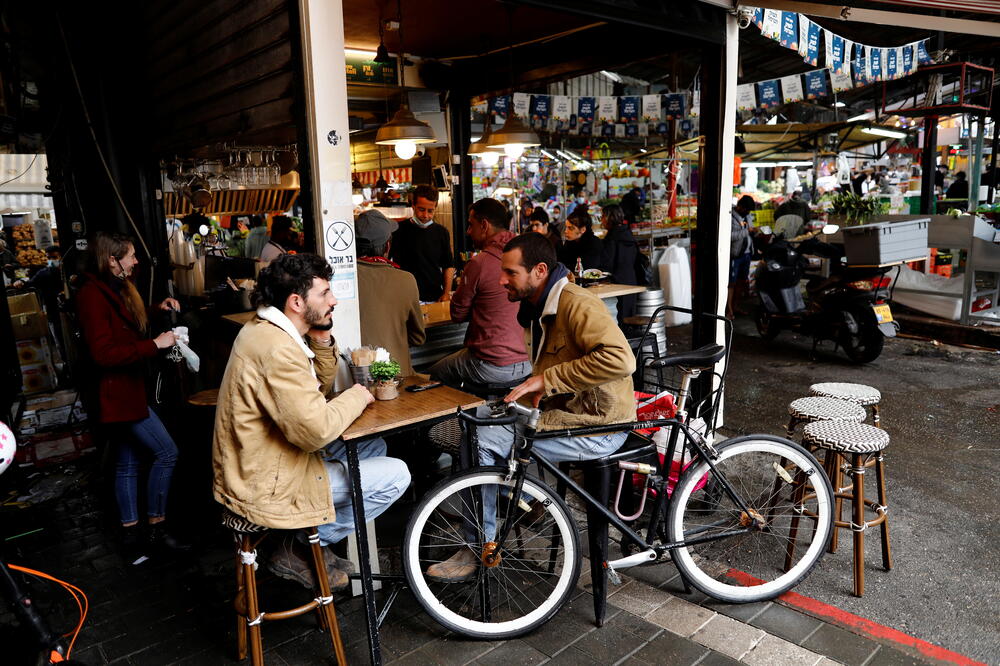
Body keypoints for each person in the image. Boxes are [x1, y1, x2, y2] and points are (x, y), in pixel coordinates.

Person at [426, 233, 635, 581]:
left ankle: (479, 545)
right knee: (476, 421)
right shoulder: (540, 305)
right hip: (569, 413)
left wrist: (547, 380)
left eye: (510, 272)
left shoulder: (576, 303)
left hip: (599, 425)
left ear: (539, 270)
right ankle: (514, 500)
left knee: (485, 441)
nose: (501, 279)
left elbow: (621, 359)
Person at [213, 253, 410, 590]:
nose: (333, 300)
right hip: (266, 482)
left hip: (268, 459)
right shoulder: (276, 348)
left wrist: (320, 336)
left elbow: (311, 385)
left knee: (374, 444)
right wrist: (358, 394)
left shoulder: (268, 330)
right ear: (296, 301)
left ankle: (309, 540)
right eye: (324, 294)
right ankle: (301, 544)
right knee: (397, 474)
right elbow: (315, 431)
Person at [75, 232, 184, 560]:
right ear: (112, 259)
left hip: (125, 392)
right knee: (167, 453)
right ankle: (156, 528)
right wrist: (155, 344)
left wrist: (155, 308)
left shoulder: (111, 288)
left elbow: (121, 325)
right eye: (131, 256)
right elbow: (104, 353)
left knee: (127, 463)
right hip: (116, 395)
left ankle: (130, 537)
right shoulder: (91, 295)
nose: (136, 261)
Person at [429, 198, 530, 388]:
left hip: (492, 365)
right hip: (528, 361)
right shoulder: (526, 255)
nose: (468, 231)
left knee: (435, 373)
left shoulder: (479, 263)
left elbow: (457, 315)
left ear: (484, 225)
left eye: (470, 225)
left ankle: (457, 417)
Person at [355, 209, 425, 376]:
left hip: (354, 378)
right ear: (388, 245)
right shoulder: (405, 280)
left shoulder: (339, 281)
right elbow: (418, 338)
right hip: (397, 376)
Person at [390, 185, 455, 302]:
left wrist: (446, 293)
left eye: (430, 211)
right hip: (404, 297)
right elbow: (388, 263)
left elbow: (448, 265)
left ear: (435, 207)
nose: (425, 215)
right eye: (421, 209)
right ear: (413, 205)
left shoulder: (442, 232)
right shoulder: (398, 230)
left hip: (434, 296)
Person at [599, 204, 640, 323]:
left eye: (602, 216)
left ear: (608, 218)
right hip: (631, 280)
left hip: (617, 283)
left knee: (619, 319)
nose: (601, 219)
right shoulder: (627, 233)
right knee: (629, 318)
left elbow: (607, 263)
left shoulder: (612, 238)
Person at [728, 194, 756, 319]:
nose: (747, 213)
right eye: (746, 210)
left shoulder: (748, 216)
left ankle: (736, 307)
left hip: (746, 254)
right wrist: (747, 231)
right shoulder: (730, 217)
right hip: (735, 255)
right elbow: (729, 236)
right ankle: (729, 310)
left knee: (741, 282)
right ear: (739, 206)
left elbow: (750, 229)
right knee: (731, 284)